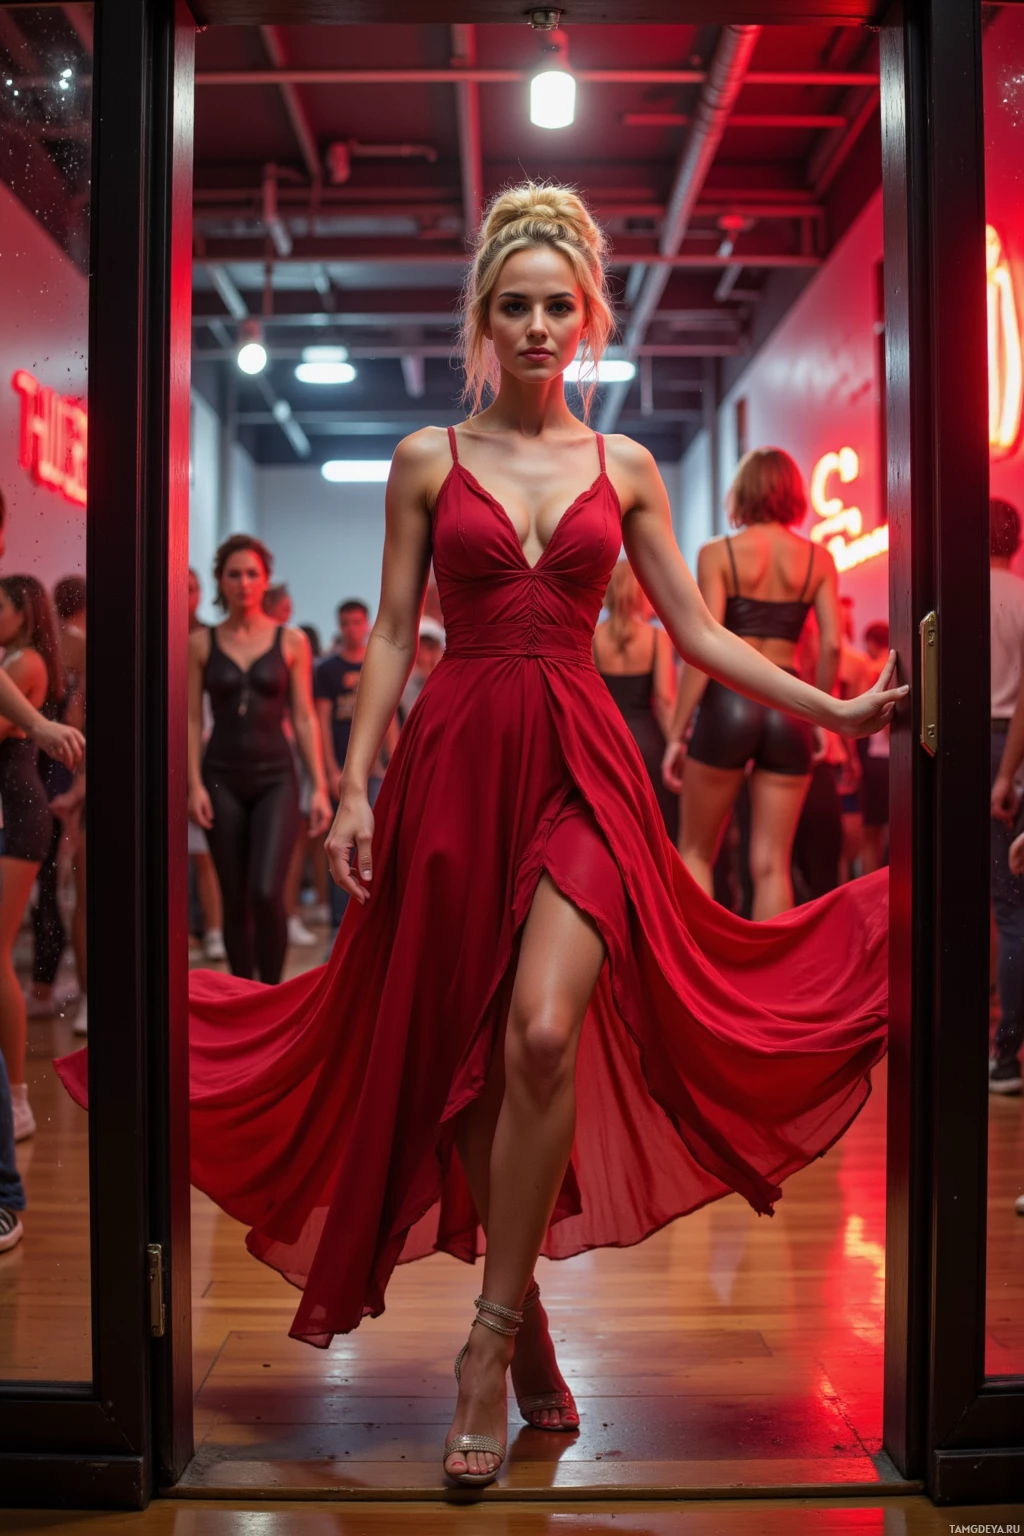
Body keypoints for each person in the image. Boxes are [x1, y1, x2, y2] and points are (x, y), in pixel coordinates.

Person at [59, 183, 904, 1489]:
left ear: (587, 320)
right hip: (453, 768)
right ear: (482, 320)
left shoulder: (620, 466)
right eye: (513, 306)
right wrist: (349, 785)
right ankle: (533, 1335)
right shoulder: (422, 458)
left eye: (557, 306)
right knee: (460, 1051)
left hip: (579, 764)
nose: (535, 326)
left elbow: (696, 631)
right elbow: (394, 634)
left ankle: (487, 1334)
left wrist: (840, 698)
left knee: (545, 1031)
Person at [663, 448, 842, 919]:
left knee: (697, 852)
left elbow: (703, 648)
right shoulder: (819, 559)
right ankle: (772, 991)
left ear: (741, 493)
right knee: (771, 865)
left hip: (731, 700)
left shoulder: (717, 553)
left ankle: (693, 979)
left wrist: (679, 732)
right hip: (790, 704)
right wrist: (821, 717)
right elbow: (831, 648)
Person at [187, 536, 331, 984]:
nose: (244, 582)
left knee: (269, 893)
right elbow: (191, 719)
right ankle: (242, 992)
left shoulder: (291, 642)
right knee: (234, 898)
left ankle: (270, 995)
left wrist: (321, 785)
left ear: (265, 580)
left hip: (276, 779)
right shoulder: (200, 643)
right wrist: (191, 783)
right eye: (234, 574)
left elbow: (305, 717)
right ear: (220, 581)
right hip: (220, 778)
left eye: (252, 573)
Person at [0, 577, 65, 1140]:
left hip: (17, 812)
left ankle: (17, 1099)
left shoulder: (26, 665)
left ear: (22, 613)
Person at [315, 599, 397, 928]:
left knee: (374, 841)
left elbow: (389, 717)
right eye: (345, 623)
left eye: (357, 622)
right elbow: (320, 721)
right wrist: (332, 770)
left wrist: (394, 761)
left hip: (376, 771)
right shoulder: (327, 670)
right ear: (340, 626)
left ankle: (371, 921)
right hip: (343, 770)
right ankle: (339, 926)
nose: (352, 629)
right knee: (341, 845)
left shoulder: (377, 664)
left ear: (367, 625)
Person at [593, 560, 678, 840]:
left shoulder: (591, 638)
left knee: (608, 832)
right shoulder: (657, 638)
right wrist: (676, 745)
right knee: (651, 833)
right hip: (647, 744)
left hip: (604, 742)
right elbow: (665, 700)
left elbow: (589, 699)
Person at [986, 498, 1024, 1095]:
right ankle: (1006, 1054)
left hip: (967, 748)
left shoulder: (958, 593)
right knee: (1011, 906)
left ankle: (958, 1041)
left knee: (950, 902)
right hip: (1009, 752)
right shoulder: (1020, 596)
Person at [186, 569, 225, 962]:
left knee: (205, 853)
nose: (185, 595)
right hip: (164, 752)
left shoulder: (211, 639)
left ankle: (213, 929)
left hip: (206, 752)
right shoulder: (152, 630)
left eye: (192, 588)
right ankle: (182, 928)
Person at [859, 620, 892, 873]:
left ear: (871, 642)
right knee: (897, 829)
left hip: (875, 755)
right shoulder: (899, 667)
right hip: (895, 757)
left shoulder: (868, 668)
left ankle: (872, 885)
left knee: (871, 833)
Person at [397, 616, 445, 726]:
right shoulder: (400, 685)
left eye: (432, 647)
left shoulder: (451, 682)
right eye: (422, 646)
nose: (427, 655)